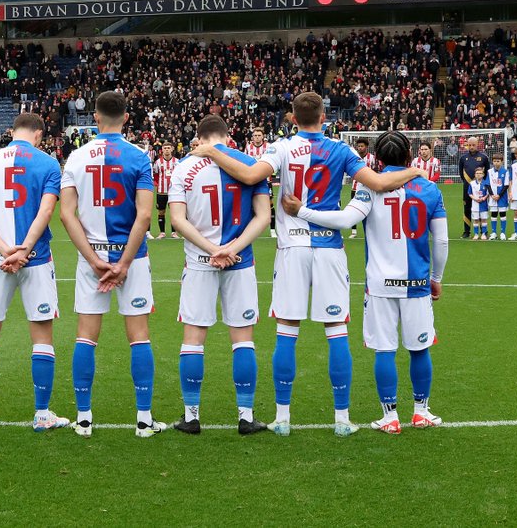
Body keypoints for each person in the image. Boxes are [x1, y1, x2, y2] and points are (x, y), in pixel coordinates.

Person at [197, 92, 424, 437]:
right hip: (329, 248)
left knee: (287, 332)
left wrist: (212, 150)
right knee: (336, 333)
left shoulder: (281, 147)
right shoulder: (341, 149)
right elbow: (378, 183)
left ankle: (283, 418)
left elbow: (248, 175)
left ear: (292, 117)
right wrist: (415, 170)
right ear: (323, 116)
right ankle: (342, 418)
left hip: (293, 249)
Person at [280, 130, 449, 434]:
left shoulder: (369, 189)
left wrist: (301, 211)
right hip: (417, 282)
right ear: (409, 156)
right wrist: (436, 278)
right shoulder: (430, 189)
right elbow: (442, 242)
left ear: (378, 160)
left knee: (385, 350)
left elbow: (344, 221)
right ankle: (421, 411)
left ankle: (390, 416)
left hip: (381, 285)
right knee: (419, 349)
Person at [59, 91, 165, 439]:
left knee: (86, 337)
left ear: (96, 117)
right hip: (131, 258)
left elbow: (66, 214)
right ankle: (144, 420)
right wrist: (123, 263)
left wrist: (93, 260)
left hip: (93, 259)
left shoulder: (76, 157)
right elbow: (146, 214)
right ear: (126, 117)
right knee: (139, 337)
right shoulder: (138, 156)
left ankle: (84, 419)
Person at [167, 115, 271, 436]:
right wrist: (232, 248)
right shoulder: (249, 162)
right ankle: (245, 415)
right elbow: (264, 216)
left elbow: (177, 220)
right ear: (228, 136)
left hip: (200, 262)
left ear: (199, 137)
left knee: (193, 339)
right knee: (242, 338)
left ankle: (191, 416)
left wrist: (211, 249)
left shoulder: (183, 167)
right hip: (240, 261)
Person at [0, 113, 69, 432]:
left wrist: (4, 249)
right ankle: (41, 414)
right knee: (41, 334)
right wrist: (23, 249)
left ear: (12, 132)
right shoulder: (49, 163)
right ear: (39, 134)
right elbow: (47, 210)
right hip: (36, 259)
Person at [458, 137, 491, 239]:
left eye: (473, 145)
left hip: (481, 189)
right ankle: (466, 231)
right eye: (470, 145)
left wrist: (481, 185)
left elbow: (487, 173)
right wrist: (469, 184)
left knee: (481, 210)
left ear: (478, 145)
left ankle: (483, 232)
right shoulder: (463, 158)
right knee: (467, 209)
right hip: (468, 188)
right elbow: (461, 173)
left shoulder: (484, 157)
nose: (471, 147)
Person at [347, 139, 376, 238]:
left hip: (369, 188)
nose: (360, 148)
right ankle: (353, 231)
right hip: (355, 188)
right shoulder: (354, 157)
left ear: (366, 147)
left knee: (371, 210)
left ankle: (370, 230)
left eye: (362, 146)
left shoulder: (372, 158)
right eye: (358, 146)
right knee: (353, 210)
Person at [150, 143, 177, 239]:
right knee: (161, 212)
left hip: (174, 191)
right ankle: (162, 232)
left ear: (172, 149)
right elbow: (156, 175)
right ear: (162, 149)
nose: (167, 150)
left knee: (174, 212)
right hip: (161, 191)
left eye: (168, 148)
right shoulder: (158, 162)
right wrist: (157, 184)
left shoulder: (176, 162)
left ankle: (174, 233)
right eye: (165, 148)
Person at [468, 167, 491, 240]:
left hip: (484, 205)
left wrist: (484, 198)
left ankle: (483, 234)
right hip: (475, 205)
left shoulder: (486, 183)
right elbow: (470, 193)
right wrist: (475, 198)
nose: (478, 175)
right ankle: (476, 234)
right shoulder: (472, 183)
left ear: (483, 175)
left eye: (480, 173)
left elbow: (488, 193)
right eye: (477, 173)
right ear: (475, 175)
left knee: (484, 219)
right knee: (476, 220)